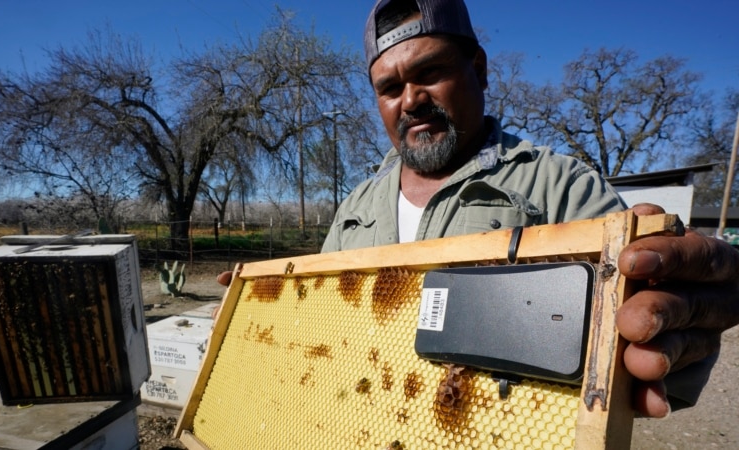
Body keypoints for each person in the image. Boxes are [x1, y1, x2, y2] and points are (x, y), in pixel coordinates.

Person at [218, 0, 739, 419]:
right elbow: (317, 335)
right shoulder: (355, 207)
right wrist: (258, 325)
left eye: (431, 72)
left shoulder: (560, 186)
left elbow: (648, 335)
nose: (412, 99)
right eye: (390, 88)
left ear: (479, 69)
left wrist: (681, 321)